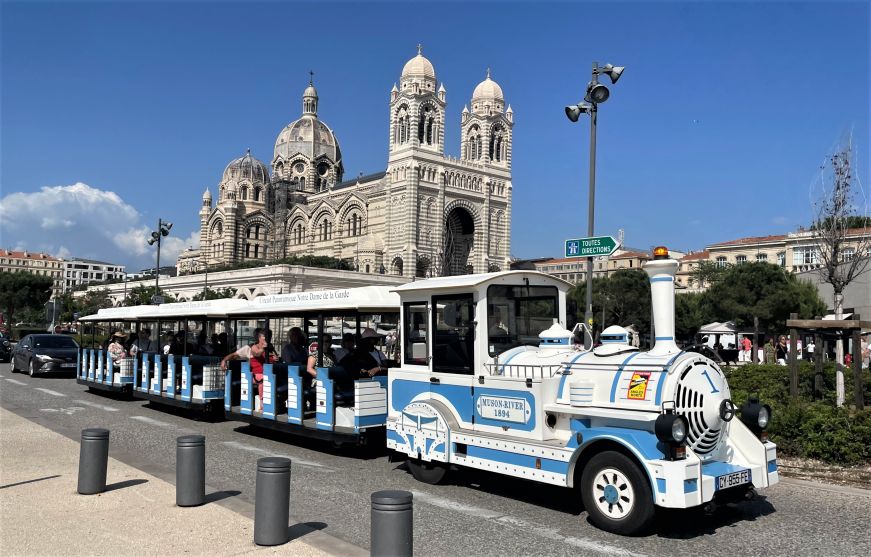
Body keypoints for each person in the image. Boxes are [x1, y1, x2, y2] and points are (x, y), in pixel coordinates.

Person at [221, 328, 267, 412]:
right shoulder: (250, 348)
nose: (268, 338)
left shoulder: (269, 348)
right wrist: (224, 360)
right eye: (265, 336)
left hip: (267, 373)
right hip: (253, 375)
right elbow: (235, 355)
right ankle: (262, 405)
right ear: (259, 337)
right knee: (263, 379)